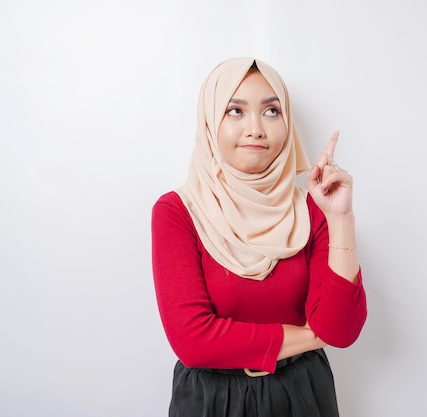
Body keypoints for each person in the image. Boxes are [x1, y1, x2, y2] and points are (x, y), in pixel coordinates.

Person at [151, 57, 367, 417]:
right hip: (211, 401)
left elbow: (341, 330)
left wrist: (340, 217)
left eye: (271, 111)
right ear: (209, 122)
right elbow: (192, 341)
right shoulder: (177, 211)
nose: (255, 129)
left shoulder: (313, 209)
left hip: (302, 394)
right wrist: (313, 337)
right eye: (234, 111)